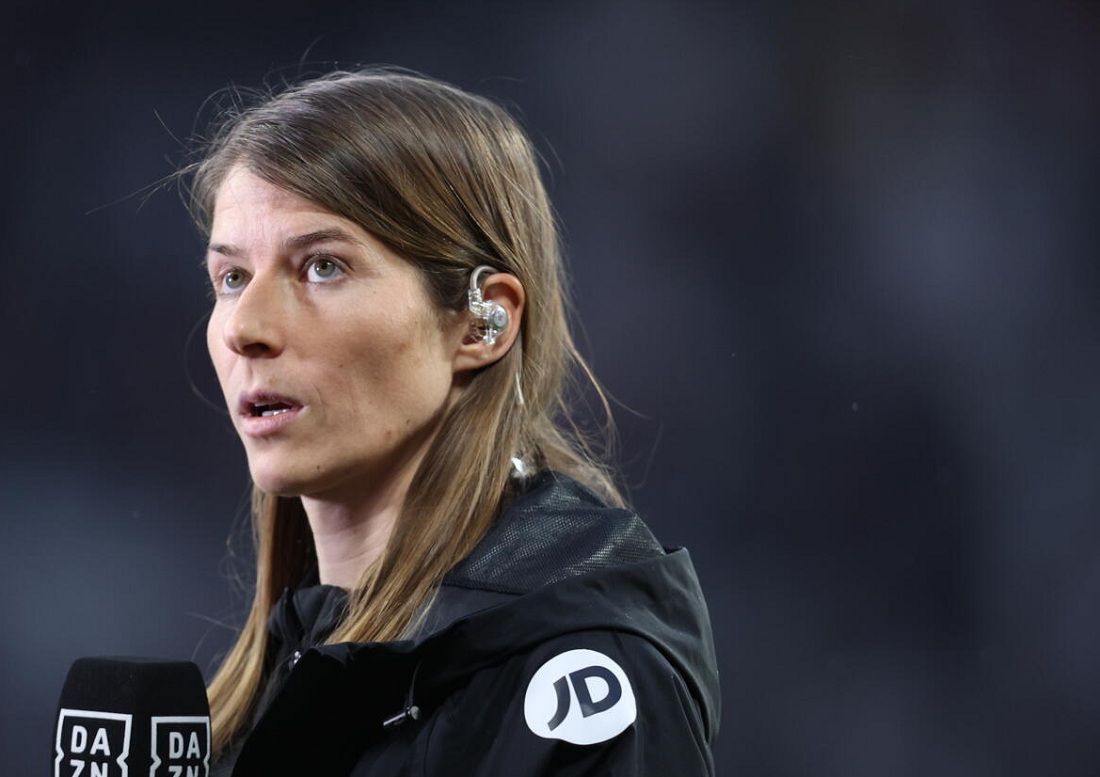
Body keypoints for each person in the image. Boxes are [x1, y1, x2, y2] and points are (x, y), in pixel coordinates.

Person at [187, 67, 719, 776]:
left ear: (480, 322)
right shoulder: (252, 706)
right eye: (232, 278)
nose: (244, 328)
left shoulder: (577, 676)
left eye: (322, 267)